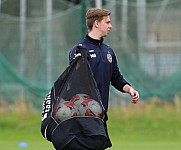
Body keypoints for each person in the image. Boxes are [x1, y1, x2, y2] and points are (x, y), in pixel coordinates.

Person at [69, 8, 139, 112]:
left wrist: (129, 89)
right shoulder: (80, 50)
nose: (110, 26)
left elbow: (116, 78)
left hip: (101, 114)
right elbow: (76, 81)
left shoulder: (108, 51)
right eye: (107, 22)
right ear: (96, 23)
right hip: (83, 115)